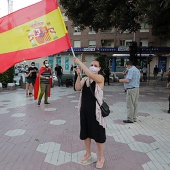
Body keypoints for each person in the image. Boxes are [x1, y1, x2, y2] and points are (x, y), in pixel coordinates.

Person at [74, 57, 106, 169]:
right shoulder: (86, 79)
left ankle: (101, 157)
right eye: (91, 64)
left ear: (99, 68)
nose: (93, 67)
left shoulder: (100, 78)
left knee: (98, 135)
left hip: (96, 113)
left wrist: (80, 63)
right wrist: (78, 75)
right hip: (85, 111)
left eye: (95, 66)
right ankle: (88, 153)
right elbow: (77, 87)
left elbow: (92, 75)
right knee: (85, 134)